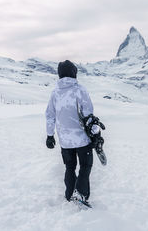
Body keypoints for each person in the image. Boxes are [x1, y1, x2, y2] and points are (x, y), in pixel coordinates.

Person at [45, 60, 94, 205]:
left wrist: (49, 135)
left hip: (65, 140)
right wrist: (94, 134)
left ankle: (69, 195)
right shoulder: (80, 90)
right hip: (82, 138)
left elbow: (50, 115)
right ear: (74, 72)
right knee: (86, 165)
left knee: (70, 167)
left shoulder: (55, 93)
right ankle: (80, 194)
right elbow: (88, 114)